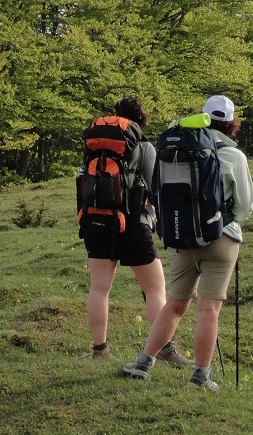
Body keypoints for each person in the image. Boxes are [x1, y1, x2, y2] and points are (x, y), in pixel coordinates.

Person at [121, 94, 253, 390]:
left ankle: (143, 363)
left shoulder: (180, 148)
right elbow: (245, 206)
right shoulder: (234, 156)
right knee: (208, 309)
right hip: (221, 239)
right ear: (231, 123)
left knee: (175, 305)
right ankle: (201, 376)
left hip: (182, 236)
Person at [81, 96, 191, 367]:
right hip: (132, 224)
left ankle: (99, 349)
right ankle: (165, 349)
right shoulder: (144, 147)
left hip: (96, 221)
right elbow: (154, 187)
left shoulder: (95, 147)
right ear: (141, 119)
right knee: (154, 289)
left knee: (99, 288)